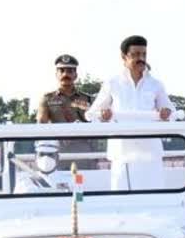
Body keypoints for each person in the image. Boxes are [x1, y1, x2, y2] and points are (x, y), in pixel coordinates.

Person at [86, 35, 176, 190]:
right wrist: (103, 116)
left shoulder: (155, 85)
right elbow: (91, 115)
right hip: (122, 154)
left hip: (150, 154)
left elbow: (172, 114)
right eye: (135, 54)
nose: (141, 58)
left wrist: (166, 114)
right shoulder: (112, 83)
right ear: (124, 57)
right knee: (122, 204)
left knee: (155, 200)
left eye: (144, 54)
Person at [36, 55, 92, 124]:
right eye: (62, 71)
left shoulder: (88, 99)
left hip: (83, 134)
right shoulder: (47, 99)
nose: (65, 74)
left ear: (76, 75)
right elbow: (41, 125)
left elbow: (98, 121)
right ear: (56, 75)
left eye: (70, 71)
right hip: (57, 134)